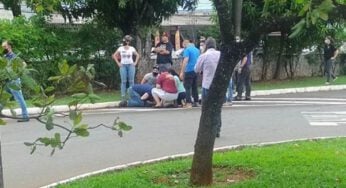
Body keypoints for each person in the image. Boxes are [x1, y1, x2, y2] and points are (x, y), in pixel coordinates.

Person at [194, 37, 222, 137]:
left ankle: (206, 128)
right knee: (217, 107)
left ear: (206, 45)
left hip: (207, 84)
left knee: (206, 108)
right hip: (219, 85)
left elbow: (196, 69)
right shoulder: (220, 55)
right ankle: (217, 129)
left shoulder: (204, 56)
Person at [2, 41, 29, 122]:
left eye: (5, 46)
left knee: (19, 98)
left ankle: (25, 116)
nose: (3, 48)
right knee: (3, 98)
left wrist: (17, 73)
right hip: (7, 82)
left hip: (14, 81)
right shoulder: (5, 56)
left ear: (9, 46)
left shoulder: (14, 56)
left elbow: (24, 64)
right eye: (2, 46)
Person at [112, 35, 140, 100]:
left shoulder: (132, 48)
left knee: (131, 81)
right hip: (123, 65)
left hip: (131, 65)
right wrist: (118, 63)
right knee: (123, 81)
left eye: (129, 41)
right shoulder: (120, 48)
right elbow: (114, 55)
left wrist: (135, 63)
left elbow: (137, 55)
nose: (128, 42)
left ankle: (131, 95)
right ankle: (123, 96)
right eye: (127, 40)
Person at [179, 39, 200, 108]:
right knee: (194, 86)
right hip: (196, 70)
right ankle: (196, 101)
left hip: (189, 70)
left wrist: (182, 71)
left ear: (185, 44)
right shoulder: (197, 50)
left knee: (187, 87)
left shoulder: (187, 50)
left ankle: (188, 102)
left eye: (183, 45)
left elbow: (186, 60)